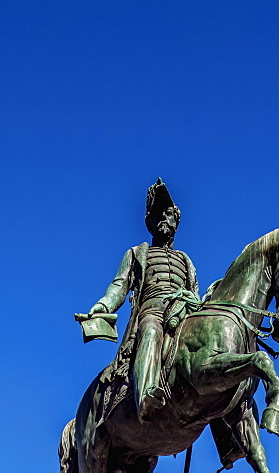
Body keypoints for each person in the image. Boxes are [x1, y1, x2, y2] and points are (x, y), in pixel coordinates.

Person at [85, 179, 199, 422]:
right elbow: (119, 285)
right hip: (152, 311)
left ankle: (229, 436)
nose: (163, 220)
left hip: (185, 311)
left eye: (168, 214)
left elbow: (195, 293)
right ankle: (147, 395)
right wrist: (104, 305)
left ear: (176, 222)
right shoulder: (137, 253)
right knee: (150, 331)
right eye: (158, 215)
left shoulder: (186, 260)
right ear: (151, 222)